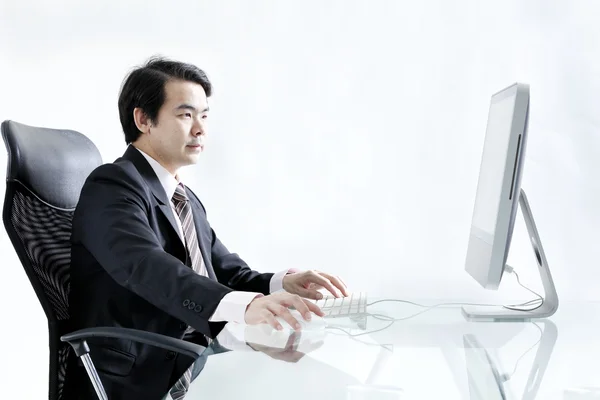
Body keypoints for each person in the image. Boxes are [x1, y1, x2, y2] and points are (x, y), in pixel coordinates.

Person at [62, 56, 349, 400]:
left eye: (204, 115)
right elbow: (145, 266)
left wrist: (280, 284)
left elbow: (226, 272)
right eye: (185, 115)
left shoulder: (182, 198)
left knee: (329, 380)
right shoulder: (112, 185)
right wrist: (243, 306)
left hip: (192, 360)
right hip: (139, 376)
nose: (200, 129)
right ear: (143, 120)